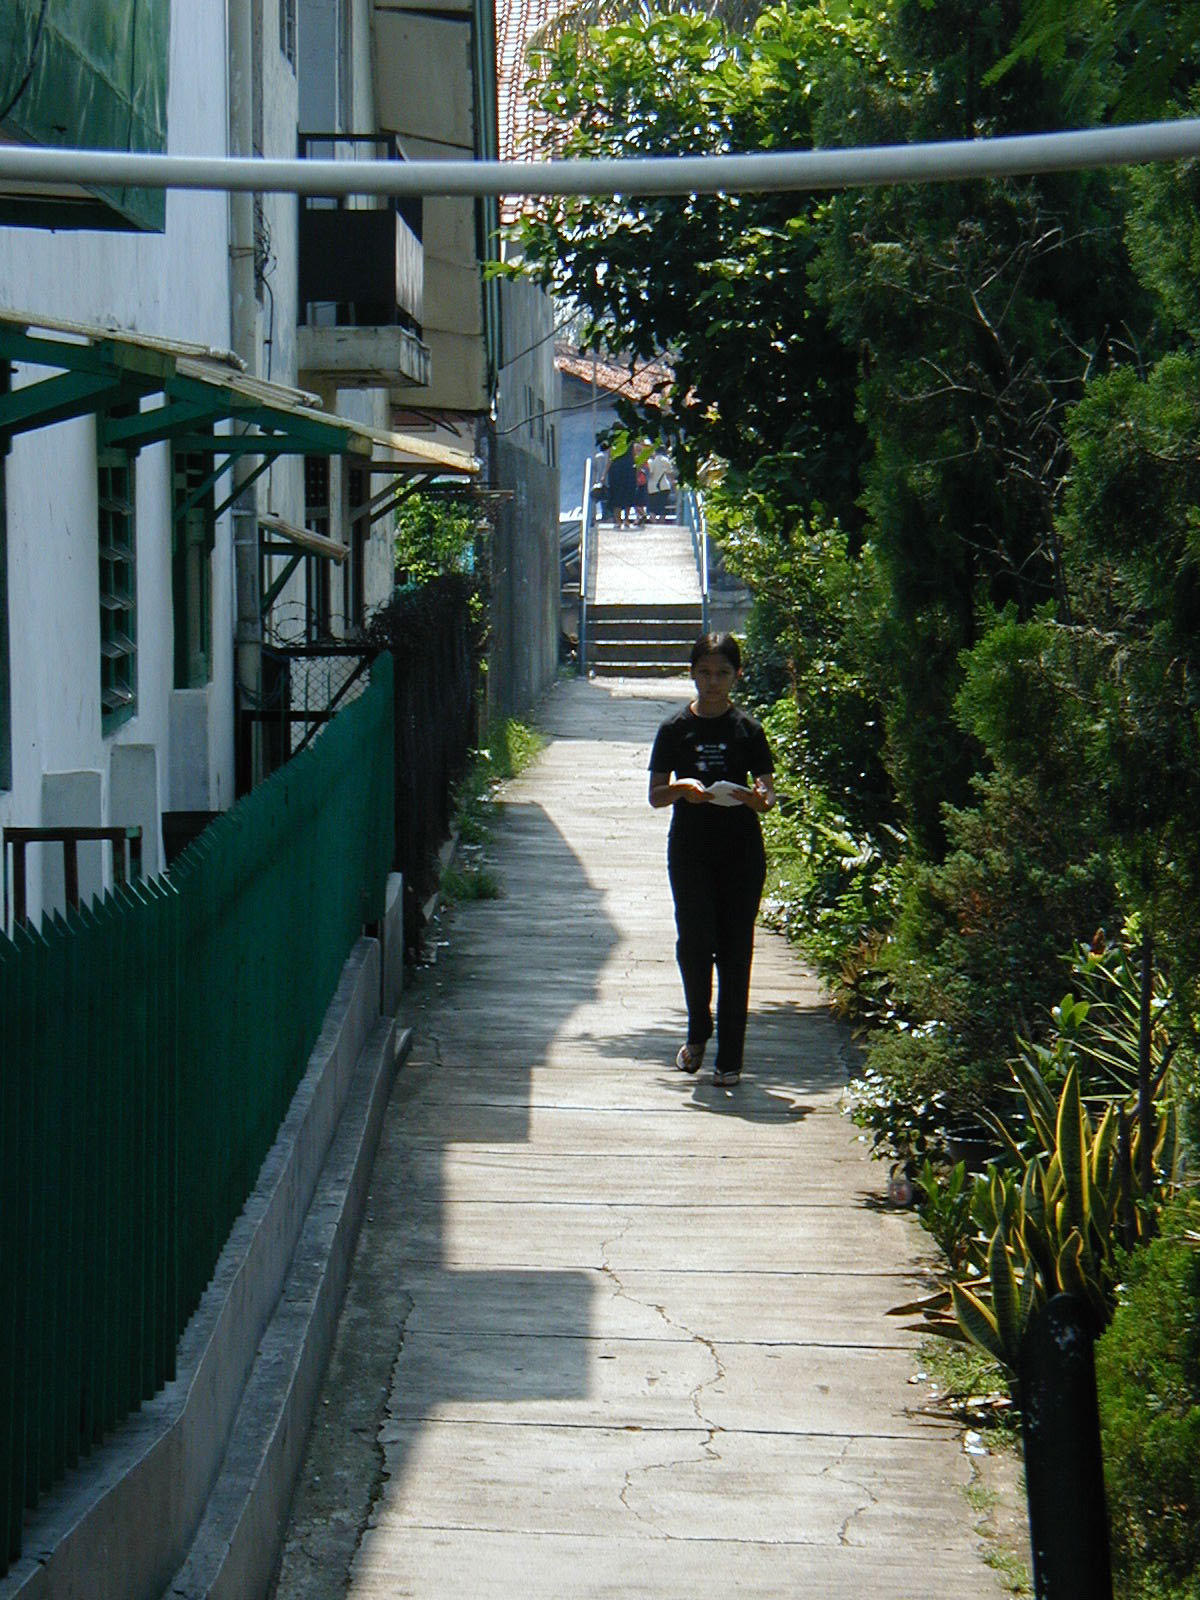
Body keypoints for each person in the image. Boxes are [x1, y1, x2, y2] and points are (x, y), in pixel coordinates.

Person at [648, 633, 775, 1086]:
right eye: (704, 672)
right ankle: (698, 1031)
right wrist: (684, 790)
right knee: (695, 943)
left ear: (736, 676)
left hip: (741, 850)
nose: (713, 682)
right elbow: (656, 795)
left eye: (722, 673)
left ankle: (731, 1057)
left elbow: (766, 791)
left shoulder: (748, 730)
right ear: (692, 674)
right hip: (690, 849)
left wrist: (757, 797)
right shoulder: (674, 729)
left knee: (737, 948)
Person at [606, 437, 636, 526]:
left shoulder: (614, 442)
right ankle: (626, 520)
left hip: (616, 471)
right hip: (629, 470)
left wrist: (604, 473)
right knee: (628, 495)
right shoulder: (630, 441)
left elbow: (610, 458)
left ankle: (618, 521)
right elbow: (634, 456)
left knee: (616, 496)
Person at [646, 446, 676, 521]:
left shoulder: (651, 461)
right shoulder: (665, 460)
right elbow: (670, 473)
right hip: (664, 485)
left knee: (652, 506)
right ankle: (661, 521)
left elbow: (650, 473)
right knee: (663, 505)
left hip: (652, 487)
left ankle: (653, 520)